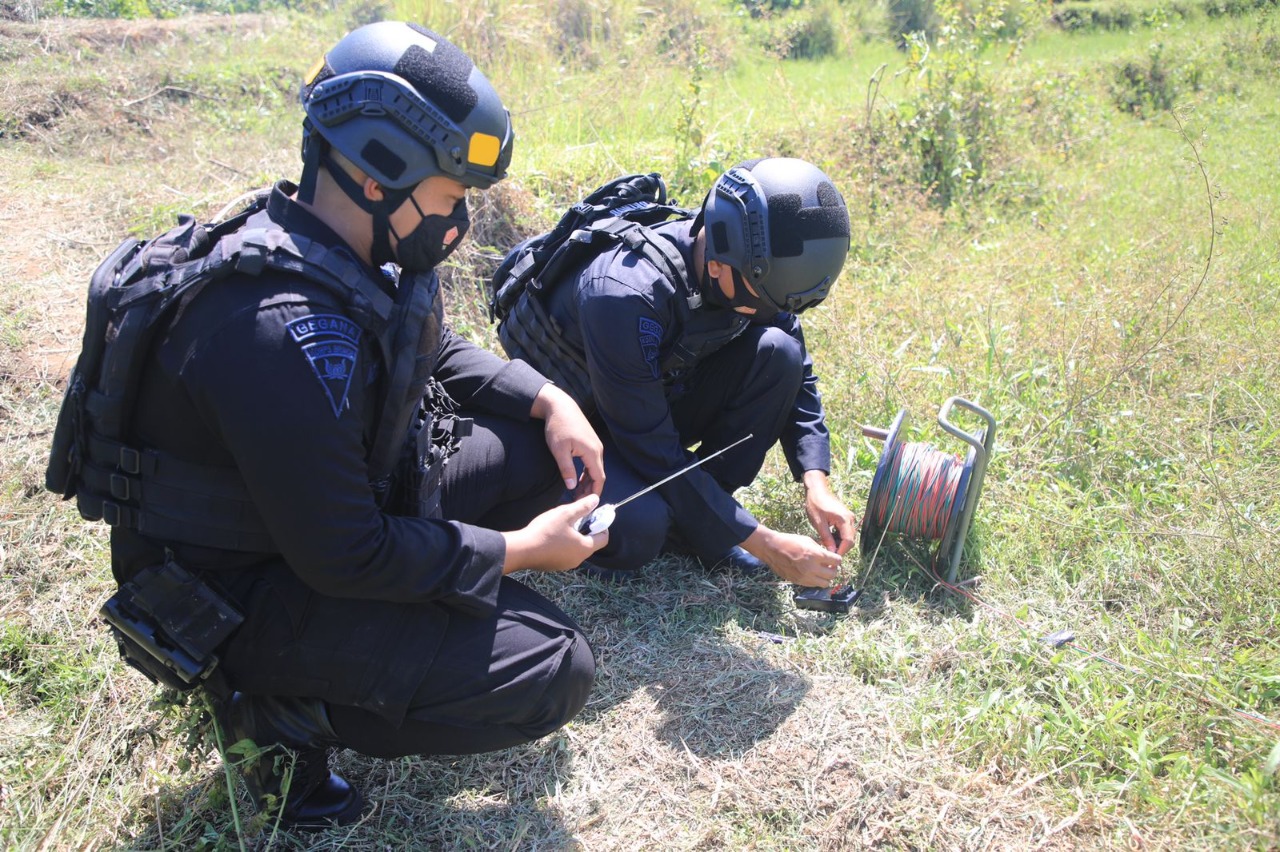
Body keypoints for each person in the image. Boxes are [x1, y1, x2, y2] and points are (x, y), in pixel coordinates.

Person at [48, 22, 608, 829]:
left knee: (530, 451)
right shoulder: (272, 329)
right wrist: (523, 553)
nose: (458, 221)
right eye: (451, 198)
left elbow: (429, 344)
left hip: (323, 516)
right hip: (242, 587)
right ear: (381, 173)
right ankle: (269, 717)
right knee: (556, 666)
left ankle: (398, 629)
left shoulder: (338, 242)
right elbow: (348, 553)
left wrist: (550, 401)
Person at [497, 157, 856, 587]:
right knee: (640, 526)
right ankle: (687, 521)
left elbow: (796, 364)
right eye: (765, 302)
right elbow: (651, 446)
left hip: (647, 399)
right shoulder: (624, 294)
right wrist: (763, 542)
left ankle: (701, 522)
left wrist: (816, 482)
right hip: (577, 427)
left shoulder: (748, 266)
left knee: (779, 354)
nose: (773, 312)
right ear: (721, 265)